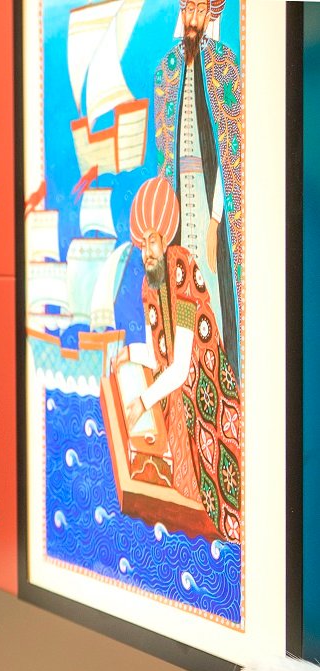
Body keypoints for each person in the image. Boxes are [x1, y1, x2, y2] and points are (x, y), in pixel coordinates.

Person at [120, 175, 242, 542]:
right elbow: (154, 352)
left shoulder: (184, 271)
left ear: (166, 237)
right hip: (172, 393)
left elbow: (183, 364)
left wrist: (142, 401)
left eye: (152, 242)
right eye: (142, 245)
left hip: (204, 395)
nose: (147, 252)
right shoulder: (148, 286)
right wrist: (127, 356)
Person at [151, 0, 243, 379]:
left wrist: (215, 220)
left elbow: (230, 153)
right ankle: (184, 375)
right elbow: (163, 156)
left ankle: (218, 374)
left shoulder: (223, 64)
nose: (193, 19)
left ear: (212, 15)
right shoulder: (167, 71)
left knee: (210, 281)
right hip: (177, 203)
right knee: (178, 285)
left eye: (200, 10)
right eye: (187, 9)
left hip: (209, 202)